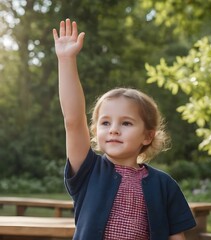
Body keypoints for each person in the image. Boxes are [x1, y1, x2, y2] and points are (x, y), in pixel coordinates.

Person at [53, 18, 196, 240]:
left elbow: (176, 235)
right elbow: (73, 120)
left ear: (148, 136)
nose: (114, 130)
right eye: (105, 122)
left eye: (126, 123)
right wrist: (66, 59)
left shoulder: (164, 185)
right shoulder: (88, 171)